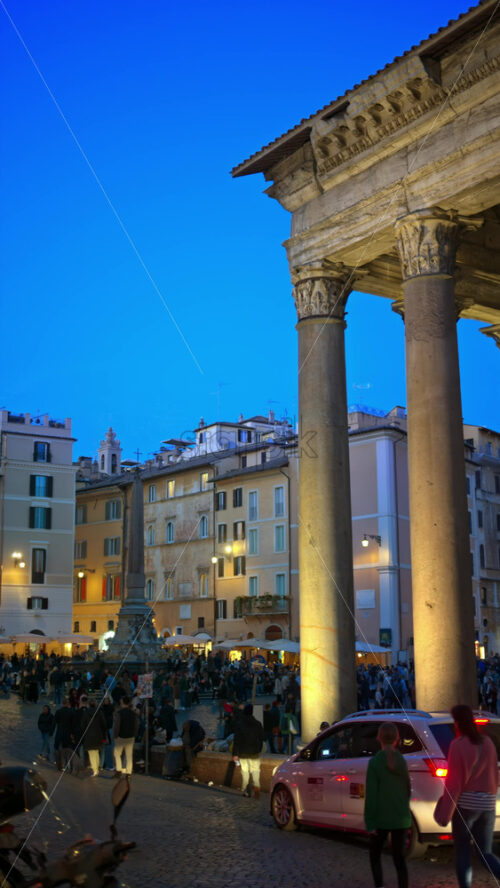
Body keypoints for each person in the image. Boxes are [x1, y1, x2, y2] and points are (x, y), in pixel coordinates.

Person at [434, 703, 500, 888]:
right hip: (487, 805)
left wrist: (445, 814)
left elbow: (454, 784)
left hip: (466, 806)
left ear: (457, 723)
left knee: (462, 851)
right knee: (485, 852)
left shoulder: (458, 745)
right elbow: (494, 775)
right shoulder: (488, 742)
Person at [364, 722, 411, 888]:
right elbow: (407, 789)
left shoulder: (375, 762)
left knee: (375, 856)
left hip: (381, 818)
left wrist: (370, 822)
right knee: (399, 860)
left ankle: (379, 885)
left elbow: (371, 795)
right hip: (401, 817)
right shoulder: (402, 760)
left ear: (379, 738)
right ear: (397, 739)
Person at [232, 703, 264, 800]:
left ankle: (246, 790)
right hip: (254, 752)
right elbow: (261, 738)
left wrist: (235, 754)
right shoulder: (258, 724)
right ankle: (257, 787)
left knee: (245, 771)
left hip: (243, 752)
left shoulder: (240, 724)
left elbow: (237, 740)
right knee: (255, 770)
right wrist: (259, 749)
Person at [113, 696, 139, 776]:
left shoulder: (119, 713)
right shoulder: (133, 713)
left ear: (122, 702)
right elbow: (136, 725)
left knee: (117, 753)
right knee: (129, 755)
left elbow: (117, 726)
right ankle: (128, 772)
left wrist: (115, 736)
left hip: (121, 736)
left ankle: (118, 770)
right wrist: (135, 735)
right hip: (130, 737)